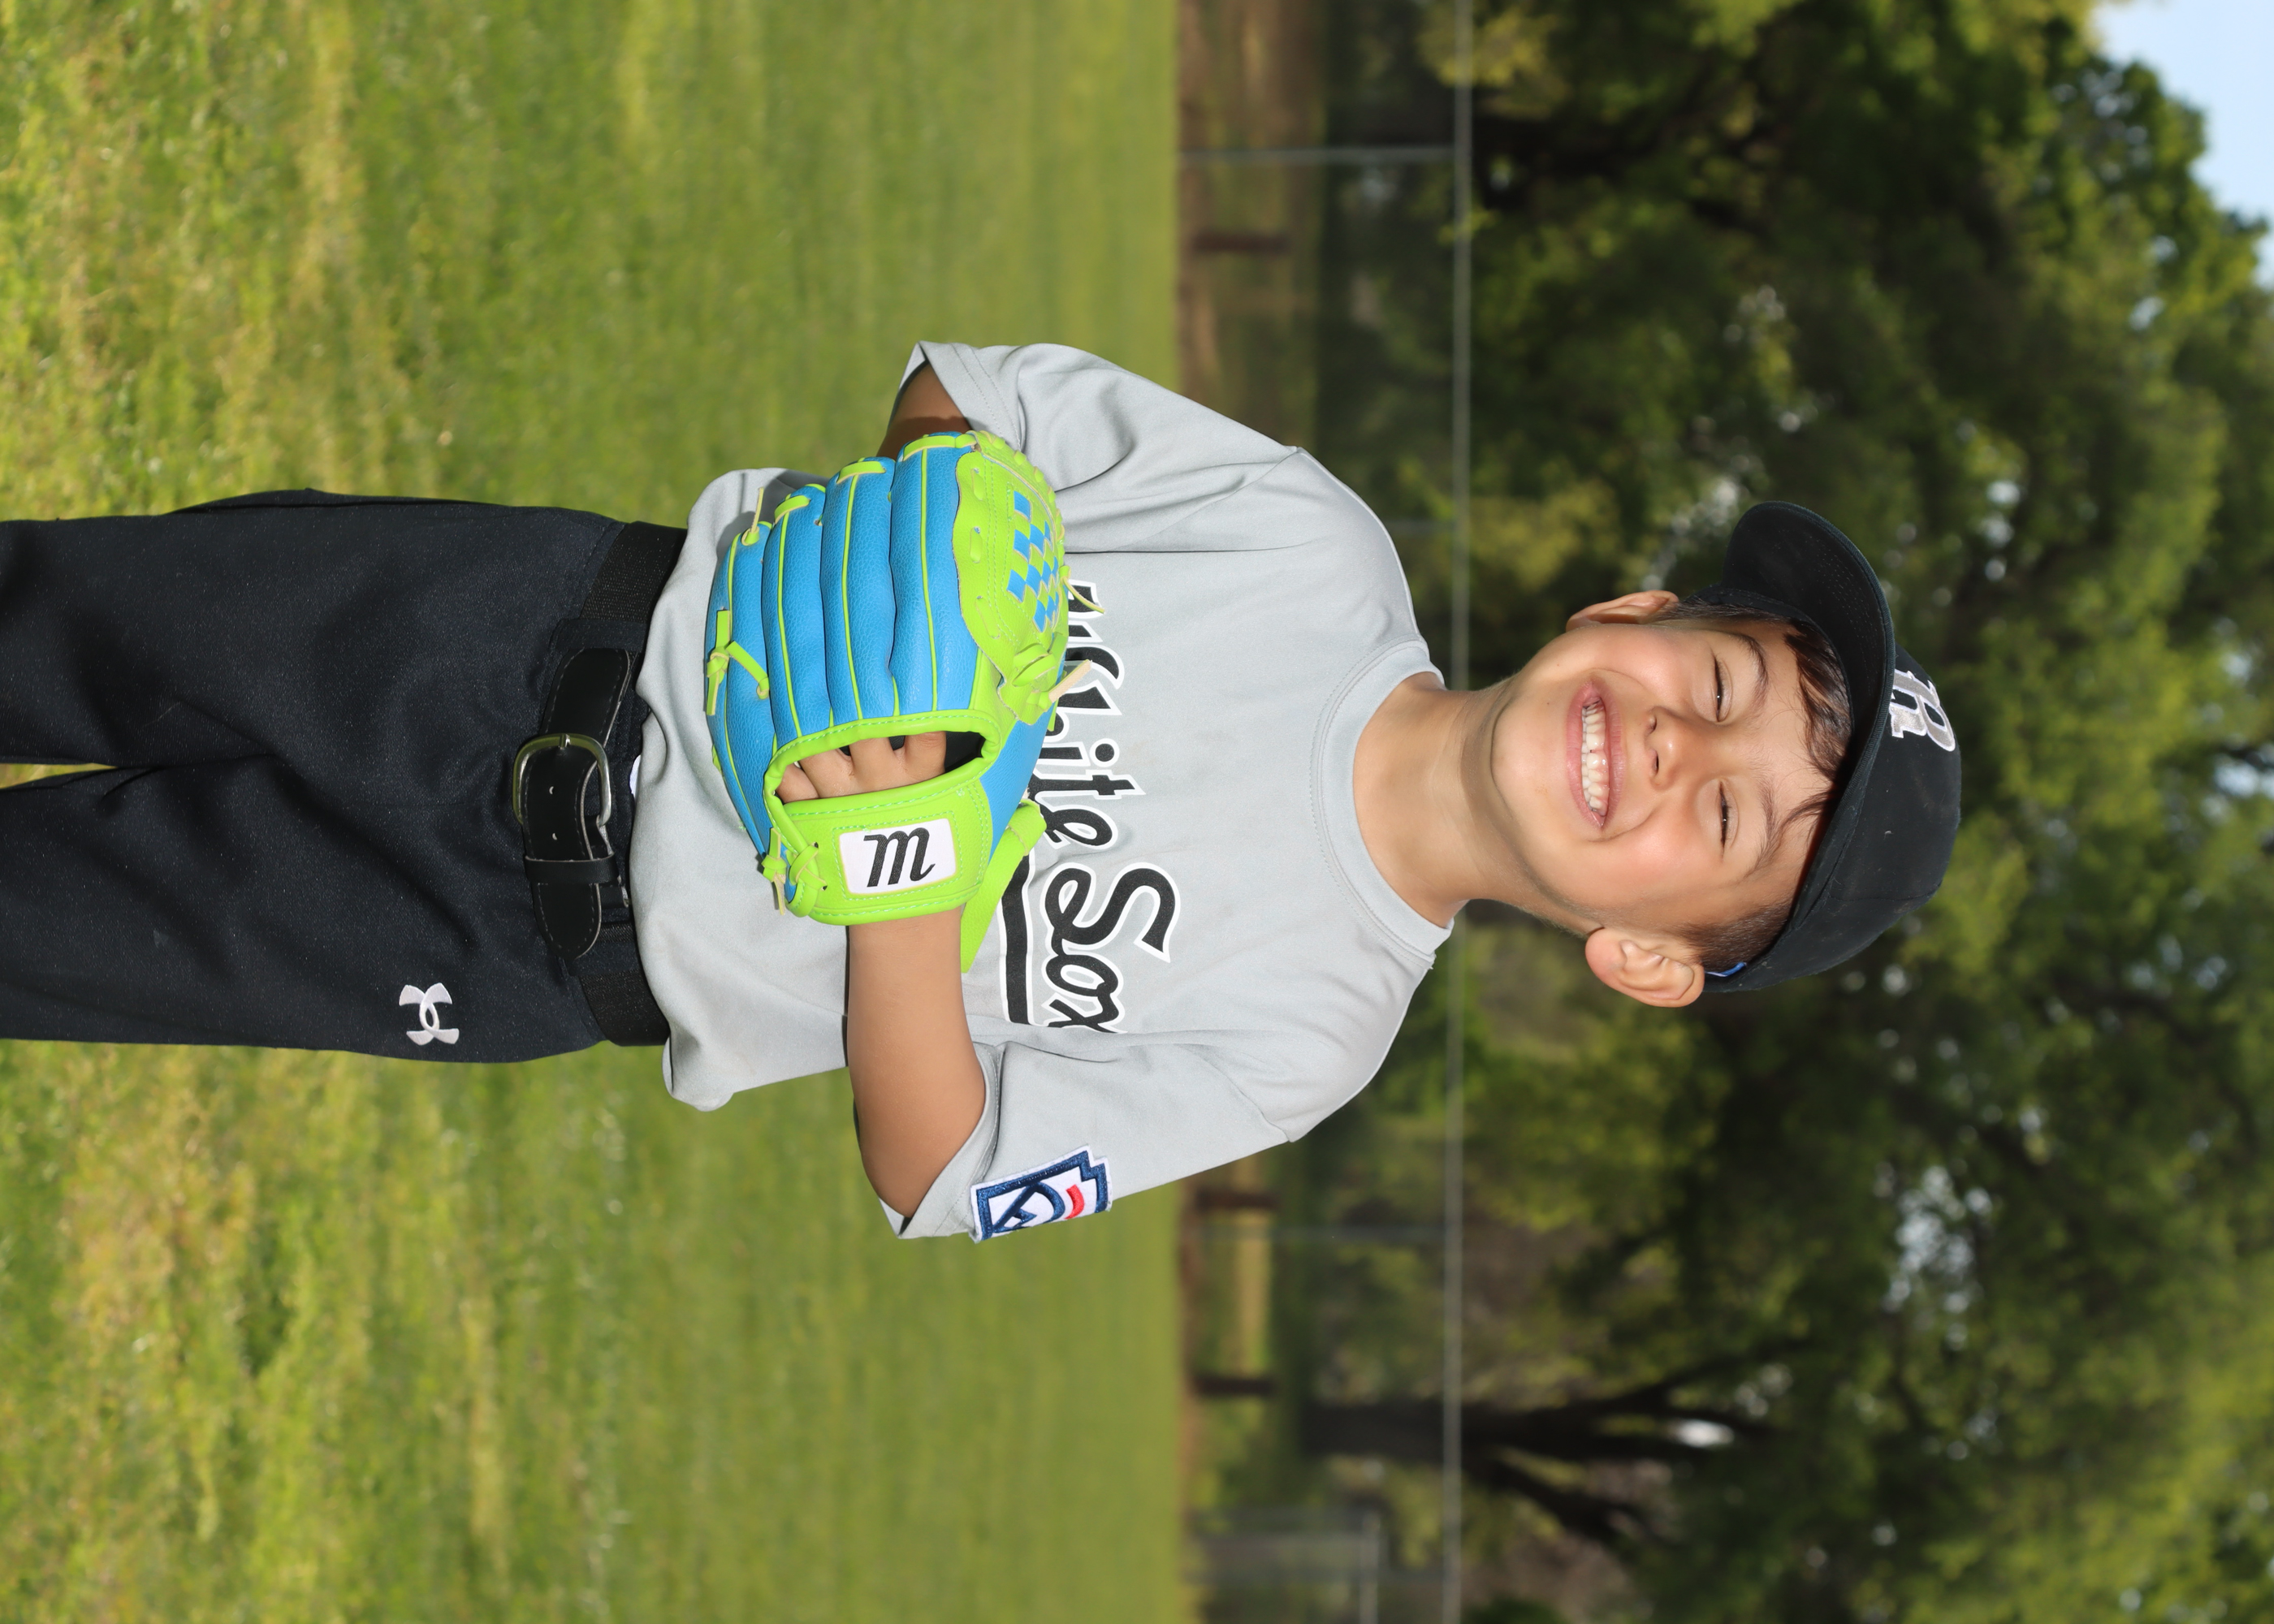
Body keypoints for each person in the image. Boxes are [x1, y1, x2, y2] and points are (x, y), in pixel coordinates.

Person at [0, 343, 1961, 1240]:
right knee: (56, 618)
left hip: (525, 944)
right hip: (520, 624)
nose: (1675, 750)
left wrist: (904, 888)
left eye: (1727, 823)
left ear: (1645, 956)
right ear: (1632, 614)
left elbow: (936, 1164)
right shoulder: (1307, 542)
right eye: (1717, 686)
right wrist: (935, 523)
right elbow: (969, 402)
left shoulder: (1309, 1036)